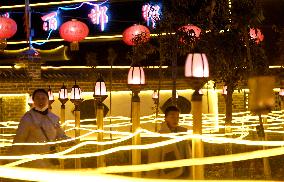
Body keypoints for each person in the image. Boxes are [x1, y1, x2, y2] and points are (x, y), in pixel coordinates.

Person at [10, 89, 73, 168]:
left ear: (48, 100)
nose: (41, 101)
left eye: (43, 98)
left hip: (50, 161)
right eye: (37, 98)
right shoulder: (28, 118)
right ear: (33, 100)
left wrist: (68, 141)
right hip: (33, 161)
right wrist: (11, 159)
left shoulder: (53, 118)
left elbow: (60, 136)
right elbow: (19, 139)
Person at [147, 105, 192, 179]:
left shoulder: (182, 134)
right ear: (166, 118)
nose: (175, 119)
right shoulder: (159, 137)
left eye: (177, 117)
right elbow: (154, 161)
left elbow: (187, 154)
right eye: (172, 117)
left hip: (184, 175)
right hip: (168, 176)